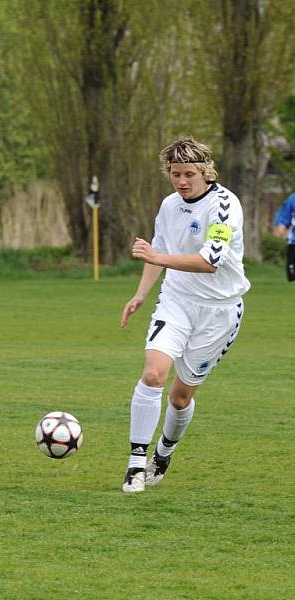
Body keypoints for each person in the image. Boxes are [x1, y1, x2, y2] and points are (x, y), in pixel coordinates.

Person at [120, 136, 250, 493]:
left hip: (219, 312)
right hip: (176, 301)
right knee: (153, 374)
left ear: (206, 172)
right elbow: (158, 249)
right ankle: (134, 465)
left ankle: (163, 452)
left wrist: (156, 258)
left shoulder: (224, 205)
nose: (181, 181)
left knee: (180, 397)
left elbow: (209, 262)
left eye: (188, 173)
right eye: (175, 174)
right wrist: (141, 294)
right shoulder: (169, 205)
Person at [272, 193, 295, 281]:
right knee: (292, 276)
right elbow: (285, 215)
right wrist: (282, 226)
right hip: (294, 243)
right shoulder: (292, 199)